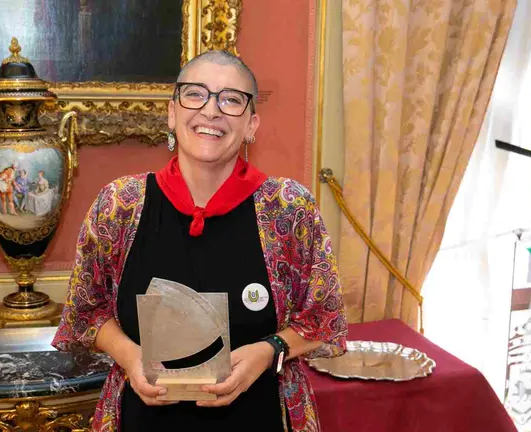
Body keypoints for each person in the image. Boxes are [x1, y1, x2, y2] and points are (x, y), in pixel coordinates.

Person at [52, 50, 347, 432]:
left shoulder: (289, 209)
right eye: (195, 94)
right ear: (172, 113)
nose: (211, 111)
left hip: (260, 416)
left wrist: (269, 351)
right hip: (143, 420)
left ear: (252, 124)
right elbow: (87, 312)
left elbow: (324, 319)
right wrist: (129, 357)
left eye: (231, 100)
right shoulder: (119, 205)